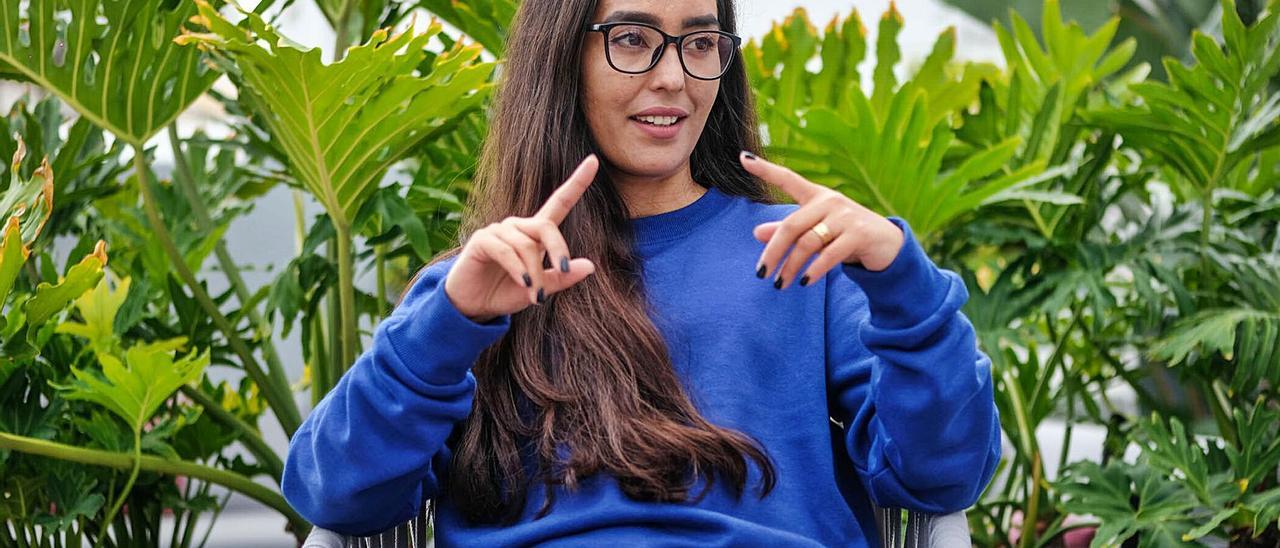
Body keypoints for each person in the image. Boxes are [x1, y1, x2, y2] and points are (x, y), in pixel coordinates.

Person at [281, 0, 1002, 545]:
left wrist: (904, 289)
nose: (673, 78)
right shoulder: (481, 285)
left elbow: (942, 476)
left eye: (699, 42)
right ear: (563, 57)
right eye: (631, 39)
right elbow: (337, 495)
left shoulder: (801, 255)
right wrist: (449, 326)